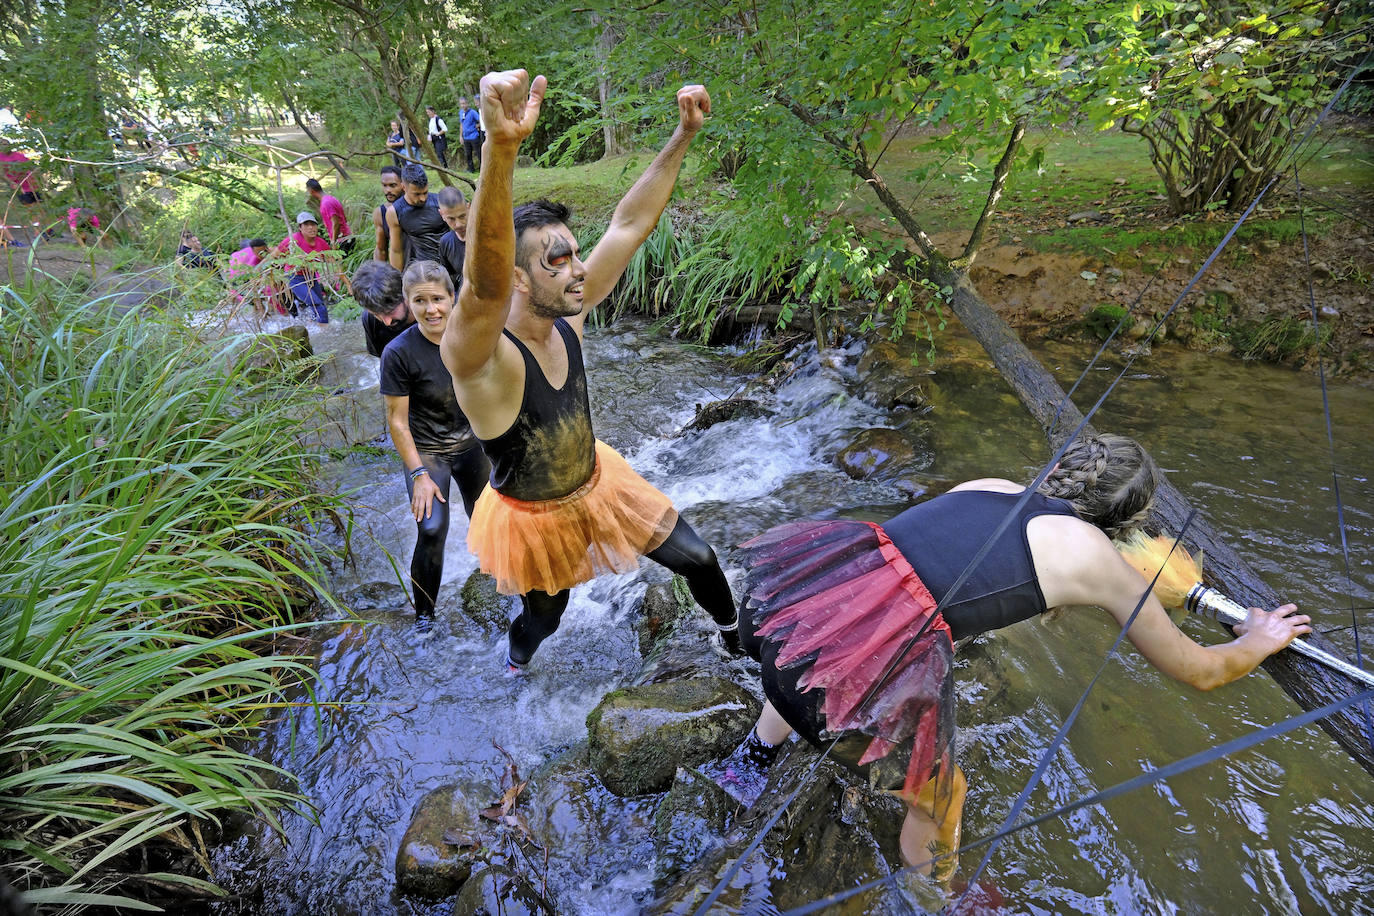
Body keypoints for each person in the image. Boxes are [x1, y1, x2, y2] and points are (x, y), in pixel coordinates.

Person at [724, 433, 1311, 882]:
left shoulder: (989, 486)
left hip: (799, 605)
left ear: (1061, 468)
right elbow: (1200, 670)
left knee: (833, 650)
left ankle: (744, 766)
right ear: (1124, 524)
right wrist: (1256, 639)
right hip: (847, 656)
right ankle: (930, 897)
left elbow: (936, 575)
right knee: (944, 798)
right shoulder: (1099, 561)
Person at [440, 69, 739, 672]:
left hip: (601, 483)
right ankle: (515, 663)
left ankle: (739, 641)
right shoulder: (482, 361)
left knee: (701, 560)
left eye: (577, 252)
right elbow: (481, 283)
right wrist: (500, 148)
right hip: (532, 519)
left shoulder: (568, 316)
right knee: (544, 620)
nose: (580, 268)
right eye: (561, 259)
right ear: (521, 278)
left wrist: (682, 135)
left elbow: (630, 225)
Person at [380, 259, 491, 633]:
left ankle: (498, 585)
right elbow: (397, 420)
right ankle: (424, 619)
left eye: (438, 299)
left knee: (491, 519)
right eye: (420, 301)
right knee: (431, 528)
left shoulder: (473, 334)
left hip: (474, 441)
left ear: (452, 297)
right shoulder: (398, 352)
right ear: (407, 304)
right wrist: (419, 475)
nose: (432, 309)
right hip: (428, 451)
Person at [276, 212, 334, 324]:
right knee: (319, 308)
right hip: (294, 278)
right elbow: (275, 255)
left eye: (313, 224)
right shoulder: (292, 240)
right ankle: (325, 336)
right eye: (306, 224)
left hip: (311, 277)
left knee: (319, 305)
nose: (311, 227)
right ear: (300, 228)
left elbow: (333, 262)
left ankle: (312, 329)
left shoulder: (320, 243)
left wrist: (347, 283)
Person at [386, 163, 447, 270]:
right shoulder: (394, 212)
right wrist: (396, 280)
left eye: (425, 192)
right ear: (403, 187)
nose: (423, 198)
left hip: (449, 262)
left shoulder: (440, 201)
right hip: (423, 267)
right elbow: (396, 250)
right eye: (417, 194)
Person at [353, 259, 415, 358]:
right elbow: (384, 360)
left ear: (405, 295)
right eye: (376, 314)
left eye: (390, 312)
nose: (387, 322)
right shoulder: (370, 319)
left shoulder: (428, 312)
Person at [305, 177, 353, 255]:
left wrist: (334, 242)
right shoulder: (331, 198)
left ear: (311, 191)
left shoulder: (326, 203)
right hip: (346, 237)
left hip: (343, 240)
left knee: (340, 265)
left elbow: (336, 223)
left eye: (308, 191)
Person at [226, 238, 271, 317]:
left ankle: (261, 316)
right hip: (245, 279)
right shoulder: (253, 252)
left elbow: (229, 272)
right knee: (259, 299)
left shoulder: (234, 255)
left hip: (235, 285)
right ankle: (265, 315)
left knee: (256, 302)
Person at [435, 185, 467, 290]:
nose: (458, 224)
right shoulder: (445, 242)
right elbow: (449, 276)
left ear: (469, 207)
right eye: (451, 219)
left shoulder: (487, 235)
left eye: (462, 216)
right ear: (442, 215)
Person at [372, 165, 403, 262]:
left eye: (392, 185)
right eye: (384, 185)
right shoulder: (380, 213)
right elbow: (381, 249)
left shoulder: (416, 205)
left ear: (403, 184)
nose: (388, 190)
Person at [458, 97, 481, 172]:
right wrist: (460, 136)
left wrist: (477, 126)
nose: (463, 105)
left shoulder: (473, 112)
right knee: (468, 154)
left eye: (464, 103)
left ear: (467, 103)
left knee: (479, 153)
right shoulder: (461, 112)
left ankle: (482, 168)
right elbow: (461, 124)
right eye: (461, 104)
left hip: (474, 136)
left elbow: (481, 120)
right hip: (466, 137)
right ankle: (471, 169)